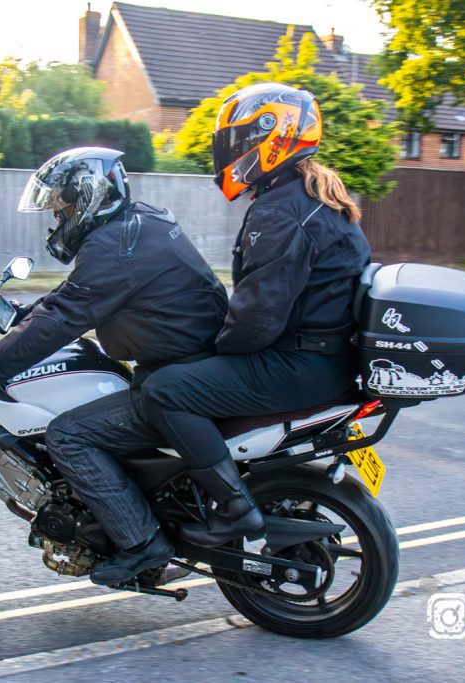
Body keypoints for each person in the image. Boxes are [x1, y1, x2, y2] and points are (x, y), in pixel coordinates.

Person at [0, 147, 228, 585]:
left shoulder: (113, 247)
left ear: (89, 197)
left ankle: (142, 543)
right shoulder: (141, 222)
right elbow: (75, 297)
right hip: (195, 365)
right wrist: (25, 316)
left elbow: (64, 317)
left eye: (61, 207)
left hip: (177, 376)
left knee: (68, 435)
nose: (56, 219)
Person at [140, 83, 372, 547]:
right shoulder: (316, 197)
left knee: (162, 390)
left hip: (298, 365)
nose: (230, 151)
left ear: (272, 137)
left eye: (238, 140)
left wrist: (210, 347)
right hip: (328, 358)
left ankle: (235, 509)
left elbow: (258, 319)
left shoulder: (281, 211)